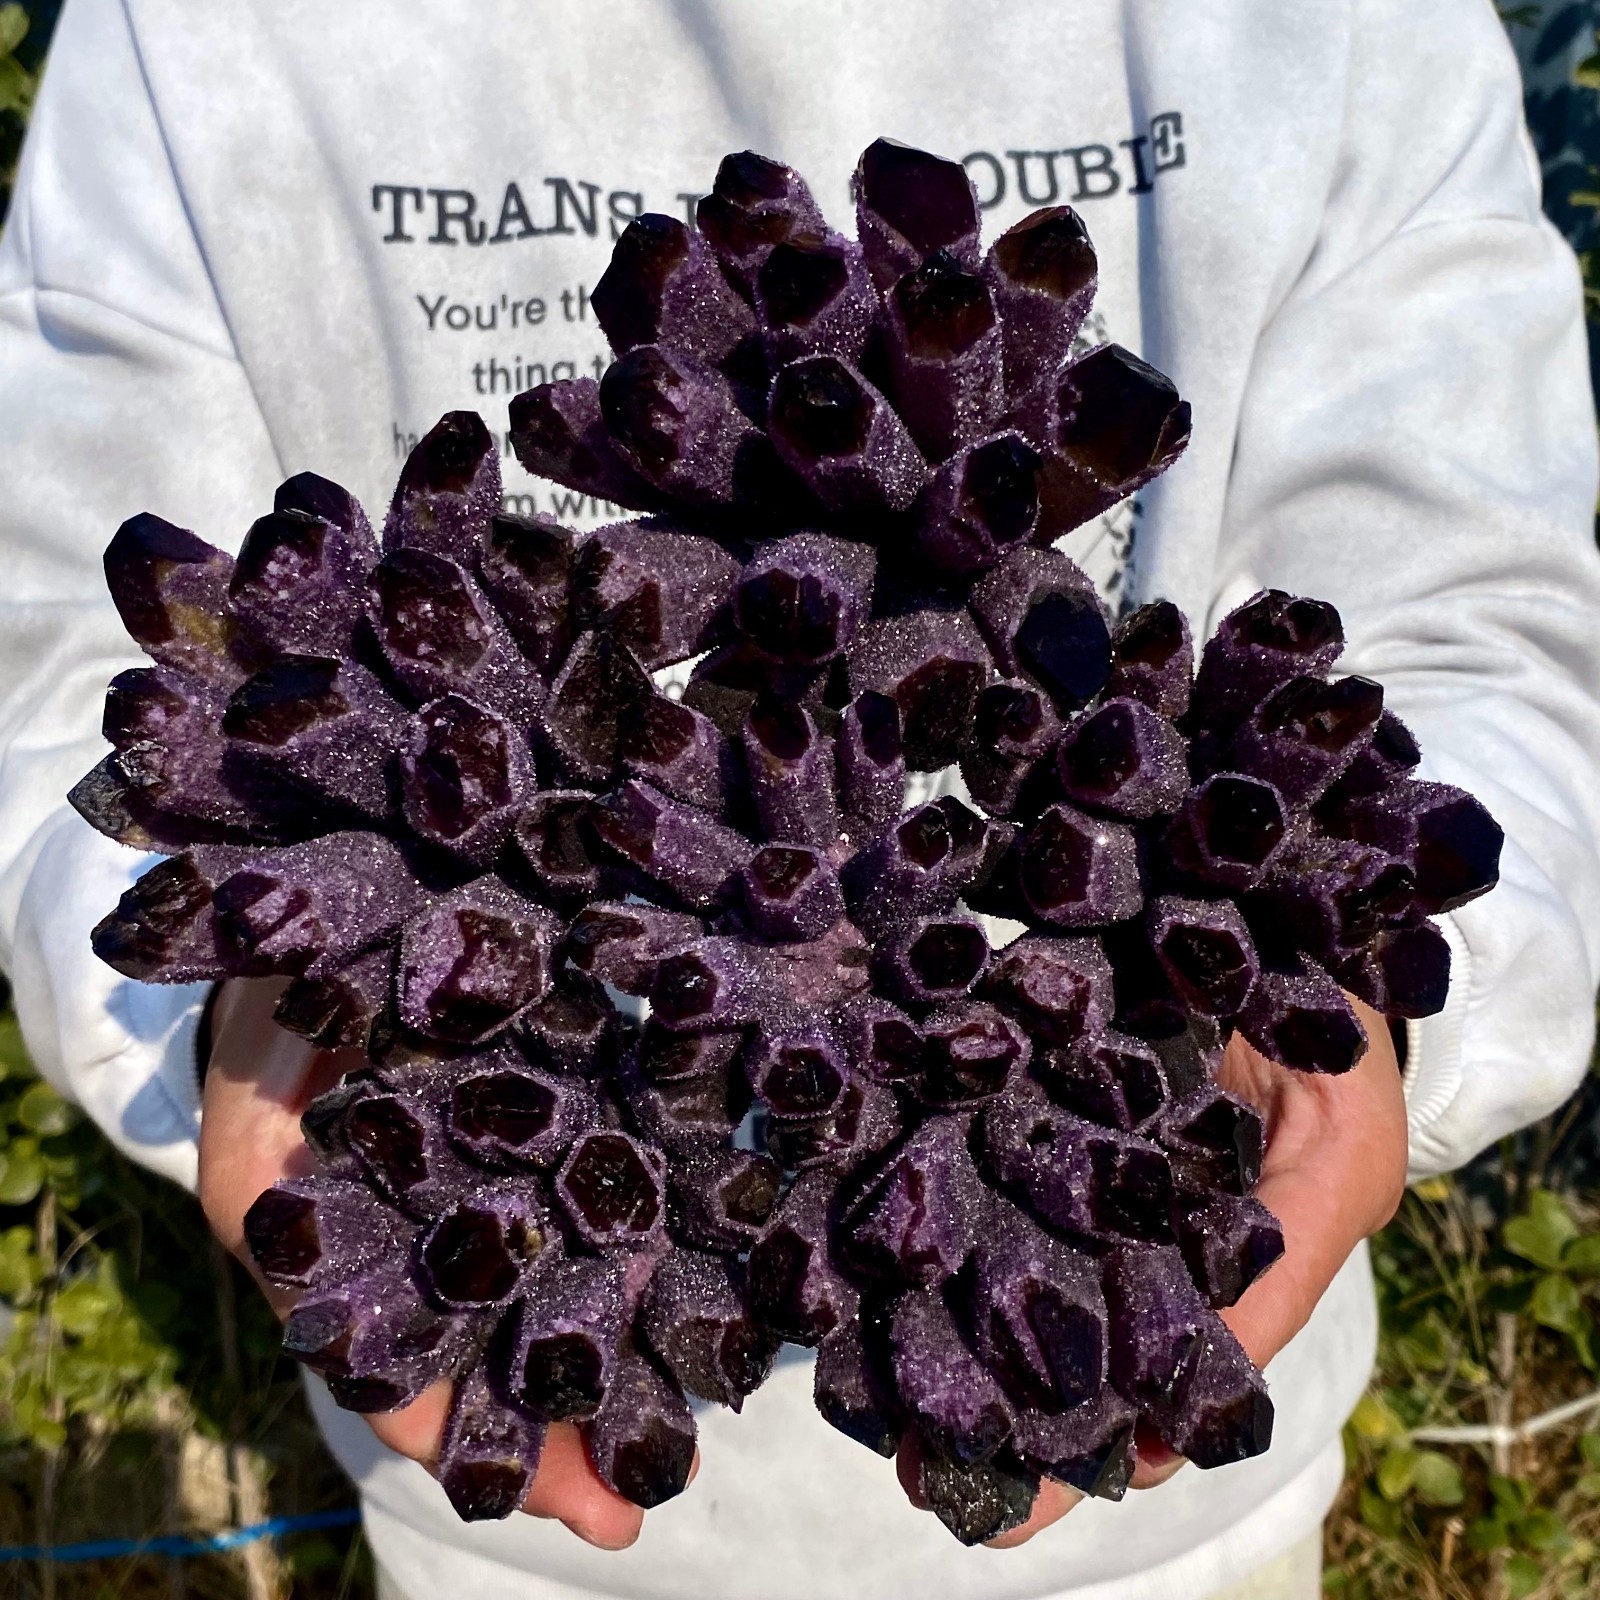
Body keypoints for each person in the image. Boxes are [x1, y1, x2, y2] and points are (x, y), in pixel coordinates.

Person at [3, 0, 1599, 1596]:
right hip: (533, 1542)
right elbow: (51, 673)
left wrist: (1365, 1012)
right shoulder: (189, 35)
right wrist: (239, 1010)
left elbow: (1490, 626)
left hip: (1169, 1540)